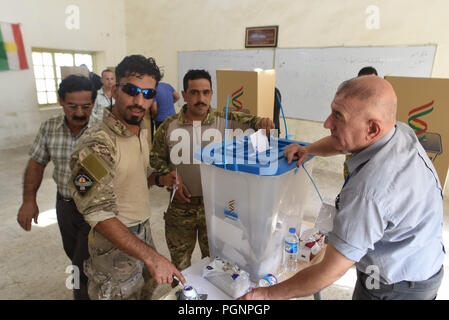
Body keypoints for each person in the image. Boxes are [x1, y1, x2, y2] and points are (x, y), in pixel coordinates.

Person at [239, 75, 445, 300]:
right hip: (421, 260)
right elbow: (343, 144)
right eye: (332, 111)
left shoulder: (369, 192)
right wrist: (309, 150)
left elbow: (330, 271)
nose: (327, 123)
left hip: (395, 286)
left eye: (339, 116)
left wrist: (265, 295)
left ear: (373, 129)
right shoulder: (398, 132)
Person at [70, 54, 186, 300]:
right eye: (132, 90)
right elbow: (97, 213)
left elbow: (131, 176)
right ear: (114, 90)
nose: (139, 100)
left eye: (148, 94)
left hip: (142, 230)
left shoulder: (138, 130)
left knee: (143, 291)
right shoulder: (97, 144)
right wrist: (153, 257)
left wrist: (158, 179)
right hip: (113, 243)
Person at [150, 69, 275, 274]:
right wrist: (169, 177)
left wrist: (264, 123)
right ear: (184, 95)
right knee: (180, 268)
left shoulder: (225, 119)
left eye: (206, 92)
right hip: (181, 207)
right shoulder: (168, 126)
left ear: (211, 93)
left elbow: (254, 122)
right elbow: (155, 159)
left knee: (218, 265)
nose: (201, 98)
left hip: (217, 208)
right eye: (194, 92)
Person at [17, 74, 97, 300]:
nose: (80, 113)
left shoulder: (102, 127)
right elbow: (36, 163)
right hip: (65, 204)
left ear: (93, 103)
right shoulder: (50, 128)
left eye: (86, 106)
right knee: (74, 256)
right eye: (72, 106)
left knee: (82, 263)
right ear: (61, 101)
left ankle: (82, 295)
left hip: (96, 207)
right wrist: (29, 200)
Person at [343, 66, 379, 179]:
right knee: (349, 181)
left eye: (373, 81)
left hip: (374, 153)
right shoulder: (349, 100)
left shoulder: (382, 101)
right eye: (365, 81)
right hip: (353, 152)